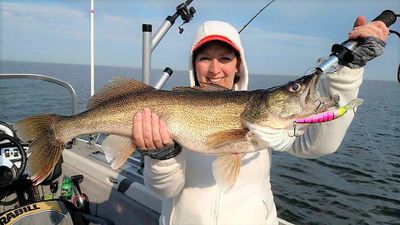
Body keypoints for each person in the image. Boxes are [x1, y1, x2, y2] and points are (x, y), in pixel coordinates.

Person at [133, 17, 389, 225]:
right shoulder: (163, 110)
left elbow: (320, 145)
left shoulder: (271, 120)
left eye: (225, 58)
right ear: (193, 64)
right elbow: (164, 191)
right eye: (204, 59)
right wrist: (162, 156)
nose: (214, 70)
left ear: (238, 65)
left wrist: (348, 71)